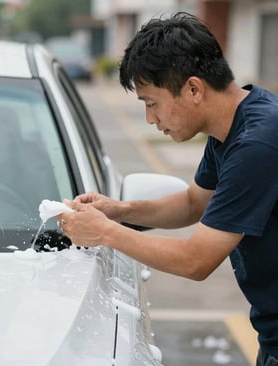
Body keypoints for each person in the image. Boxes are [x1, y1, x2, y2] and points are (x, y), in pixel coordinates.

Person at [57, 11, 278, 366]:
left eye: (151, 103)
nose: (150, 118)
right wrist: (119, 210)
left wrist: (105, 233)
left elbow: (197, 261)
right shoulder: (233, 127)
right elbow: (194, 203)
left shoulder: (259, 143)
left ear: (193, 89)